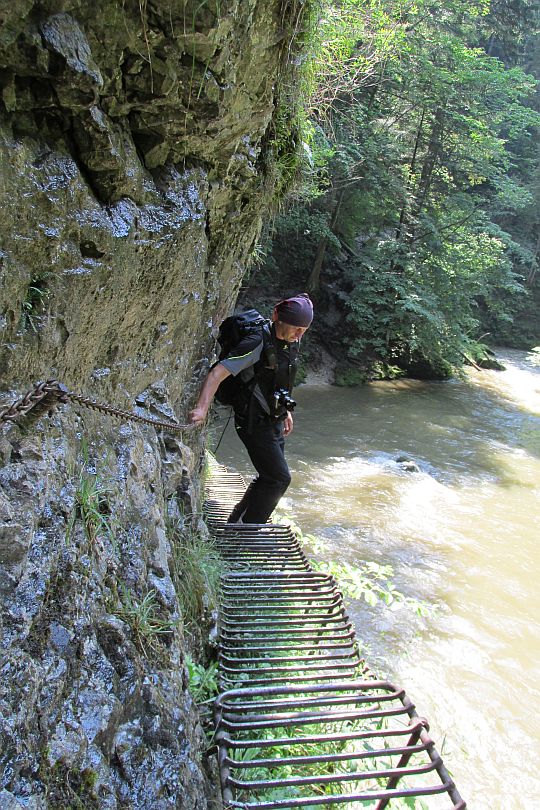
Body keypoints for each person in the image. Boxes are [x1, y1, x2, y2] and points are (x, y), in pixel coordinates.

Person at [189, 293, 314, 523]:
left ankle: (237, 522)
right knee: (279, 479)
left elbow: (279, 378)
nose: (299, 335)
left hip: (273, 419)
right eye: (296, 329)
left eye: (304, 330)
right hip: (253, 422)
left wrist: (285, 411)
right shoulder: (257, 343)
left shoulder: (292, 341)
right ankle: (247, 528)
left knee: (269, 477)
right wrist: (202, 408)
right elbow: (217, 373)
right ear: (277, 318)